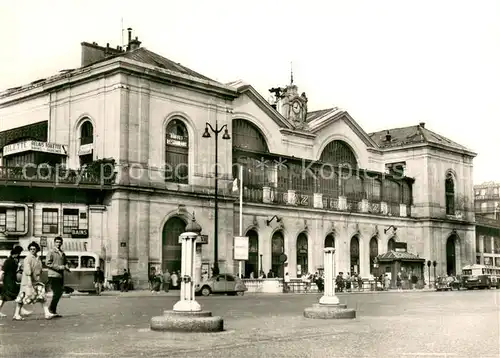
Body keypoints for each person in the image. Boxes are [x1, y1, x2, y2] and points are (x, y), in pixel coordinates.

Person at [13, 242, 55, 320]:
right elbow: (27, 270)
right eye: (31, 249)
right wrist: (29, 282)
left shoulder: (38, 258)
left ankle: (47, 313)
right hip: (28, 281)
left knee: (42, 297)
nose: (32, 250)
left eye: (34, 249)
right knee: (22, 297)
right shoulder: (27, 258)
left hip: (36, 281)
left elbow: (40, 269)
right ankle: (16, 314)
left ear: (37, 250)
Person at [0, 246, 32, 318]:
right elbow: (3, 271)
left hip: (11, 280)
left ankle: (21, 310)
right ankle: (21, 310)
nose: (19, 255)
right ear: (15, 253)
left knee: (4, 297)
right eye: (18, 253)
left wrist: (19, 267)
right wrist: (0, 279)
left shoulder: (15, 260)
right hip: (8, 281)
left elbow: (16, 270)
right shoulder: (8, 261)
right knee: (18, 294)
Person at [46, 236, 69, 317]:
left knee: (59, 293)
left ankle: (53, 310)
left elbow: (65, 262)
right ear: (54, 243)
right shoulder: (51, 252)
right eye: (57, 242)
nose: (58, 244)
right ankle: (51, 310)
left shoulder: (62, 253)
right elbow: (48, 263)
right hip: (53, 275)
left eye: (60, 242)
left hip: (60, 276)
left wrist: (66, 266)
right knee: (57, 292)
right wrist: (60, 267)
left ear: (62, 243)